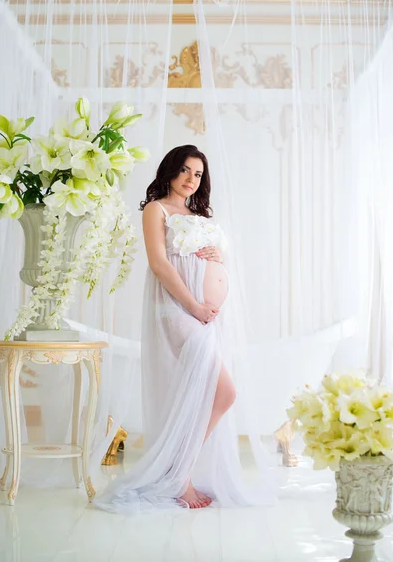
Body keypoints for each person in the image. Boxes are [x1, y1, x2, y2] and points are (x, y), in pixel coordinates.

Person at [94, 144, 274, 514]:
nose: (192, 179)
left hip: (205, 314)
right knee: (224, 392)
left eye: (198, 174)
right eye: (186, 171)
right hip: (177, 310)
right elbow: (159, 264)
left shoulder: (198, 214)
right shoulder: (155, 209)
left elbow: (206, 256)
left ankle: (178, 471)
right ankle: (179, 475)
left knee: (209, 394)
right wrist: (193, 305)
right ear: (171, 170)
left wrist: (218, 258)